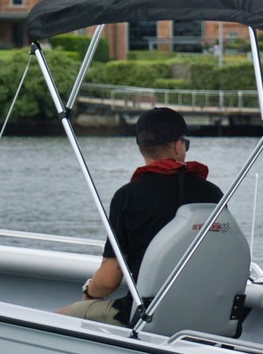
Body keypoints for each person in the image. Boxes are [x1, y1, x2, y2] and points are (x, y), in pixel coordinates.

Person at [60, 107, 222, 326]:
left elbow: (108, 281)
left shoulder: (127, 197)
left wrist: (88, 294)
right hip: (204, 313)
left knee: (54, 320)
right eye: (185, 142)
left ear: (141, 149)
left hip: (149, 316)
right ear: (177, 145)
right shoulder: (212, 193)